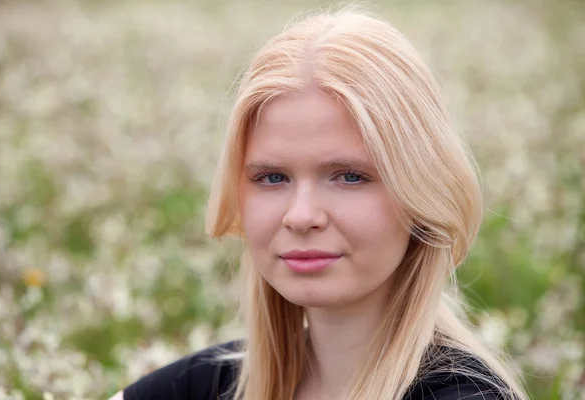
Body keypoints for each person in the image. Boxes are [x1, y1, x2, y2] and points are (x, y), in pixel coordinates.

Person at [110, 7, 529, 400]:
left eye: (350, 176)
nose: (301, 216)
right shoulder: (208, 385)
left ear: (421, 194)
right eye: (272, 177)